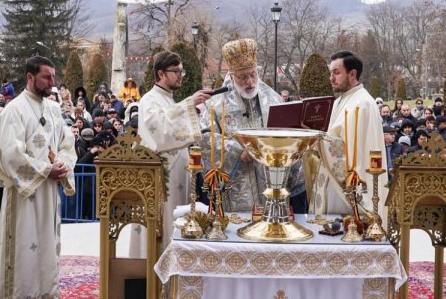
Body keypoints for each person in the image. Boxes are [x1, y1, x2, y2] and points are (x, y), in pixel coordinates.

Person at [0, 56, 77, 299]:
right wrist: (44, 170)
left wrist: (63, 164)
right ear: (30, 77)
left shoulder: (52, 109)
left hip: (49, 194)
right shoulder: (14, 111)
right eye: (46, 78)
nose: (52, 83)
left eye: (53, 77)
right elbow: (9, 152)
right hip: (25, 195)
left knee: (46, 252)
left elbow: (66, 142)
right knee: (24, 251)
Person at [199, 38, 290, 213]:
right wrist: (238, 151)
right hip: (236, 186)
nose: (250, 81)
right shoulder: (216, 104)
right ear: (232, 76)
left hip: (269, 178)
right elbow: (205, 138)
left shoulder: (273, 99)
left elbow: (286, 133)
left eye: (253, 74)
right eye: (243, 77)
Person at [135, 50, 213, 254]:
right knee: (164, 227)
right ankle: (159, 281)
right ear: (161, 74)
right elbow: (160, 130)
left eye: (181, 71)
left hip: (181, 174)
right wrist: (189, 103)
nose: (181, 75)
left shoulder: (169, 100)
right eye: (176, 71)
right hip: (161, 180)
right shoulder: (149, 100)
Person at [310, 50, 386, 221]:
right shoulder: (339, 101)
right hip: (332, 182)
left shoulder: (363, 103)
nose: (331, 78)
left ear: (352, 74)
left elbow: (351, 153)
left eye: (336, 73)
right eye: (331, 73)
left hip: (348, 191)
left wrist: (315, 138)